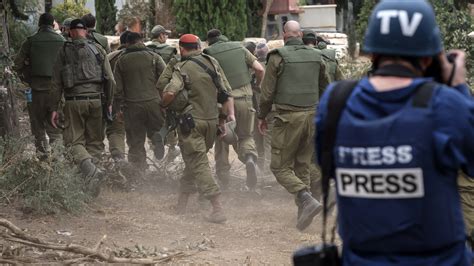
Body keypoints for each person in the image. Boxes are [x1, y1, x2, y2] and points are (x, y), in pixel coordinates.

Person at [315, 0, 474, 264]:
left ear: (372, 53)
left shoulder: (337, 100)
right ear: (428, 57)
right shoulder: (446, 104)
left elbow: (327, 164)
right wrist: (458, 87)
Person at [258, 20, 330, 231]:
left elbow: (267, 92)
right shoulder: (317, 56)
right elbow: (326, 87)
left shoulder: (278, 57)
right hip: (313, 117)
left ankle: (304, 198)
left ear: (284, 35)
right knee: (302, 164)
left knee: (279, 166)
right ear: (299, 34)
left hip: (288, 118)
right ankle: (304, 212)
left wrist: (262, 116)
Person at [160, 34, 235, 223]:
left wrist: (164, 104)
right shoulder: (212, 63)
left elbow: (169, 91)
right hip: (211, 122)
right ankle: (182, 204)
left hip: (191, 123)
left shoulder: (182, 67)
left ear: (182, 49)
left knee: (198, 162)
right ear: (198, 46)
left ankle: (217, 207)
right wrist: (222, 120)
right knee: (194, 161)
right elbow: (226, 94)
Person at [50, 19, 115, 196]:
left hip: (73, 102)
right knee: (95, 142)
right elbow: (110, 80)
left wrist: (54, 108)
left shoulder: (63, 51)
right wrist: (109, 103)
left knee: (73, 142)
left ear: (70, 32)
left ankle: (91, 172)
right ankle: (91, 184)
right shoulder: (98, 50)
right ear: (85, 31)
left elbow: (56, 83)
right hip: (96, 101)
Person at [204, 29, 265, 190]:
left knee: (222, 139)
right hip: (245, 99)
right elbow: (259, 69)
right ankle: (250, 158)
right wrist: (257, 86)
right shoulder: (240, 48)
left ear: (209, 41)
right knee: (246, 135)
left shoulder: (208, 53)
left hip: (222, 103)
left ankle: (224, 179)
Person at [14, 13, 65, 159]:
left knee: (38, 129)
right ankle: (57, 163)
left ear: (39, 24)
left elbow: (17, 64)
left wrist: (27, 77)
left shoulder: (31, 41)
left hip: (36, 91)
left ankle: (43, 161)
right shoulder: (62, 41)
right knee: (55, 129)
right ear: (53, 24)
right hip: (56, 93)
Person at [113, 32, 166, 170]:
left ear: (127, 43)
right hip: (154, 103)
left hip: (132, 106)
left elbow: (117, 89)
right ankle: (156, 138)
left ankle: (140, 173)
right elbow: (166, 79)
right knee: (155, 129)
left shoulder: (121, 61)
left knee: (135, 141)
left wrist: (118, 109)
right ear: (141, 41)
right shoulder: (154, 57)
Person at [105, 31, 131, 163]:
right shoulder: (146, 55)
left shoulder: (110, 57)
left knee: (116, 130)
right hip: (137, 100)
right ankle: (138, 163)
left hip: (116, 100)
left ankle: (118, 157)